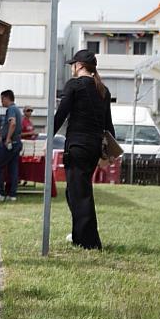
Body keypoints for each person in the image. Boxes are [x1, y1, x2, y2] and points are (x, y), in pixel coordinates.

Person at [52, 49, 114, 250]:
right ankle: (80, 235)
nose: (71, 67)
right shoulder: (103, 91)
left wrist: (46, 138)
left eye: (73, 64)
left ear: (79, 65)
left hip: (77, 146)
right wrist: (109, 153)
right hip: (93, 148)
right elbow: (108, 125)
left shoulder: (74, 85)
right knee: (75, 192)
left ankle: (90, 242)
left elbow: (61, 114)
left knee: (80, 193)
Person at [0, 90, 22, 202]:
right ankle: (12, 194)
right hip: (17, 143)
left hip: (11, 143)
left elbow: (12, 123)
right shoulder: (17, 109)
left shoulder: (11, 109)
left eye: (2, 99)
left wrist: (7, 139)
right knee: (13, 168)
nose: (1, 102)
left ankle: (0, 192)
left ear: (7, 98)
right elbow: (7, 125)